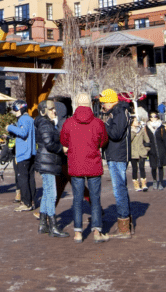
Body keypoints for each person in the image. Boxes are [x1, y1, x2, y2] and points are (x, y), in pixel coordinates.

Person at [60, 92, 109, 243]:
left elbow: (63, 140)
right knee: (95, 199)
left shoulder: (69, 122)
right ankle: (96, 231)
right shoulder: (98, 122)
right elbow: (103, 141)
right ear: (89, 104)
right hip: (93, 164)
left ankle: (78, 232)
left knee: (77, 199)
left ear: (76, 104)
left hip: (76, 164)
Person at [98, 89, 132, 238]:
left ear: (111, 100)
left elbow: (116, 134)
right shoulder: (117, 112)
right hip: (115, 155)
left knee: (119, 190)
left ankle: (124, 227)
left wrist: (104, 125)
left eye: (104, 102)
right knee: (120, 189)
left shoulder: (119, 112)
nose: (103, 106)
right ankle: (125, 224)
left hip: (118, 156)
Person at [34, 100, 69, 237]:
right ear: (43, 111)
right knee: (52, 194)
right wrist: (62, 148)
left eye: (54, 109)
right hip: (47, 162)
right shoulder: (44, 123)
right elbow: (49, 144)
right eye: (51, 109)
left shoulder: (46, 123)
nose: (54, 111)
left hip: (47, 162)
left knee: (48, 194)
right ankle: (53, 226)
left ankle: (43, 224)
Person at [6, 100, 37, 212]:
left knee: (22, 178)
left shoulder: (23, 119)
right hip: (31, 152)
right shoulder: (30, 119)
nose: (14, 112)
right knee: (30, 178)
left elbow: (23, 133)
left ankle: (26, 203)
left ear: (20, 108)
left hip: (24, 153)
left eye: (15, 109)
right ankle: (32, 200)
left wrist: (10, 127)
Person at [128, 114, 150, 192]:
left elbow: (147, 140)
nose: (137, 122)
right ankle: (136, 184)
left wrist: (146, 149)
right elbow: (128, 140)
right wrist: (133, 132)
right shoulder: (128, 130)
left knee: (142, 167)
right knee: (134, 168)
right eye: (135, 121)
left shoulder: (141, 129)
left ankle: (144, 184)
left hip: (141, 152)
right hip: (133, 152)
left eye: (137, 120)